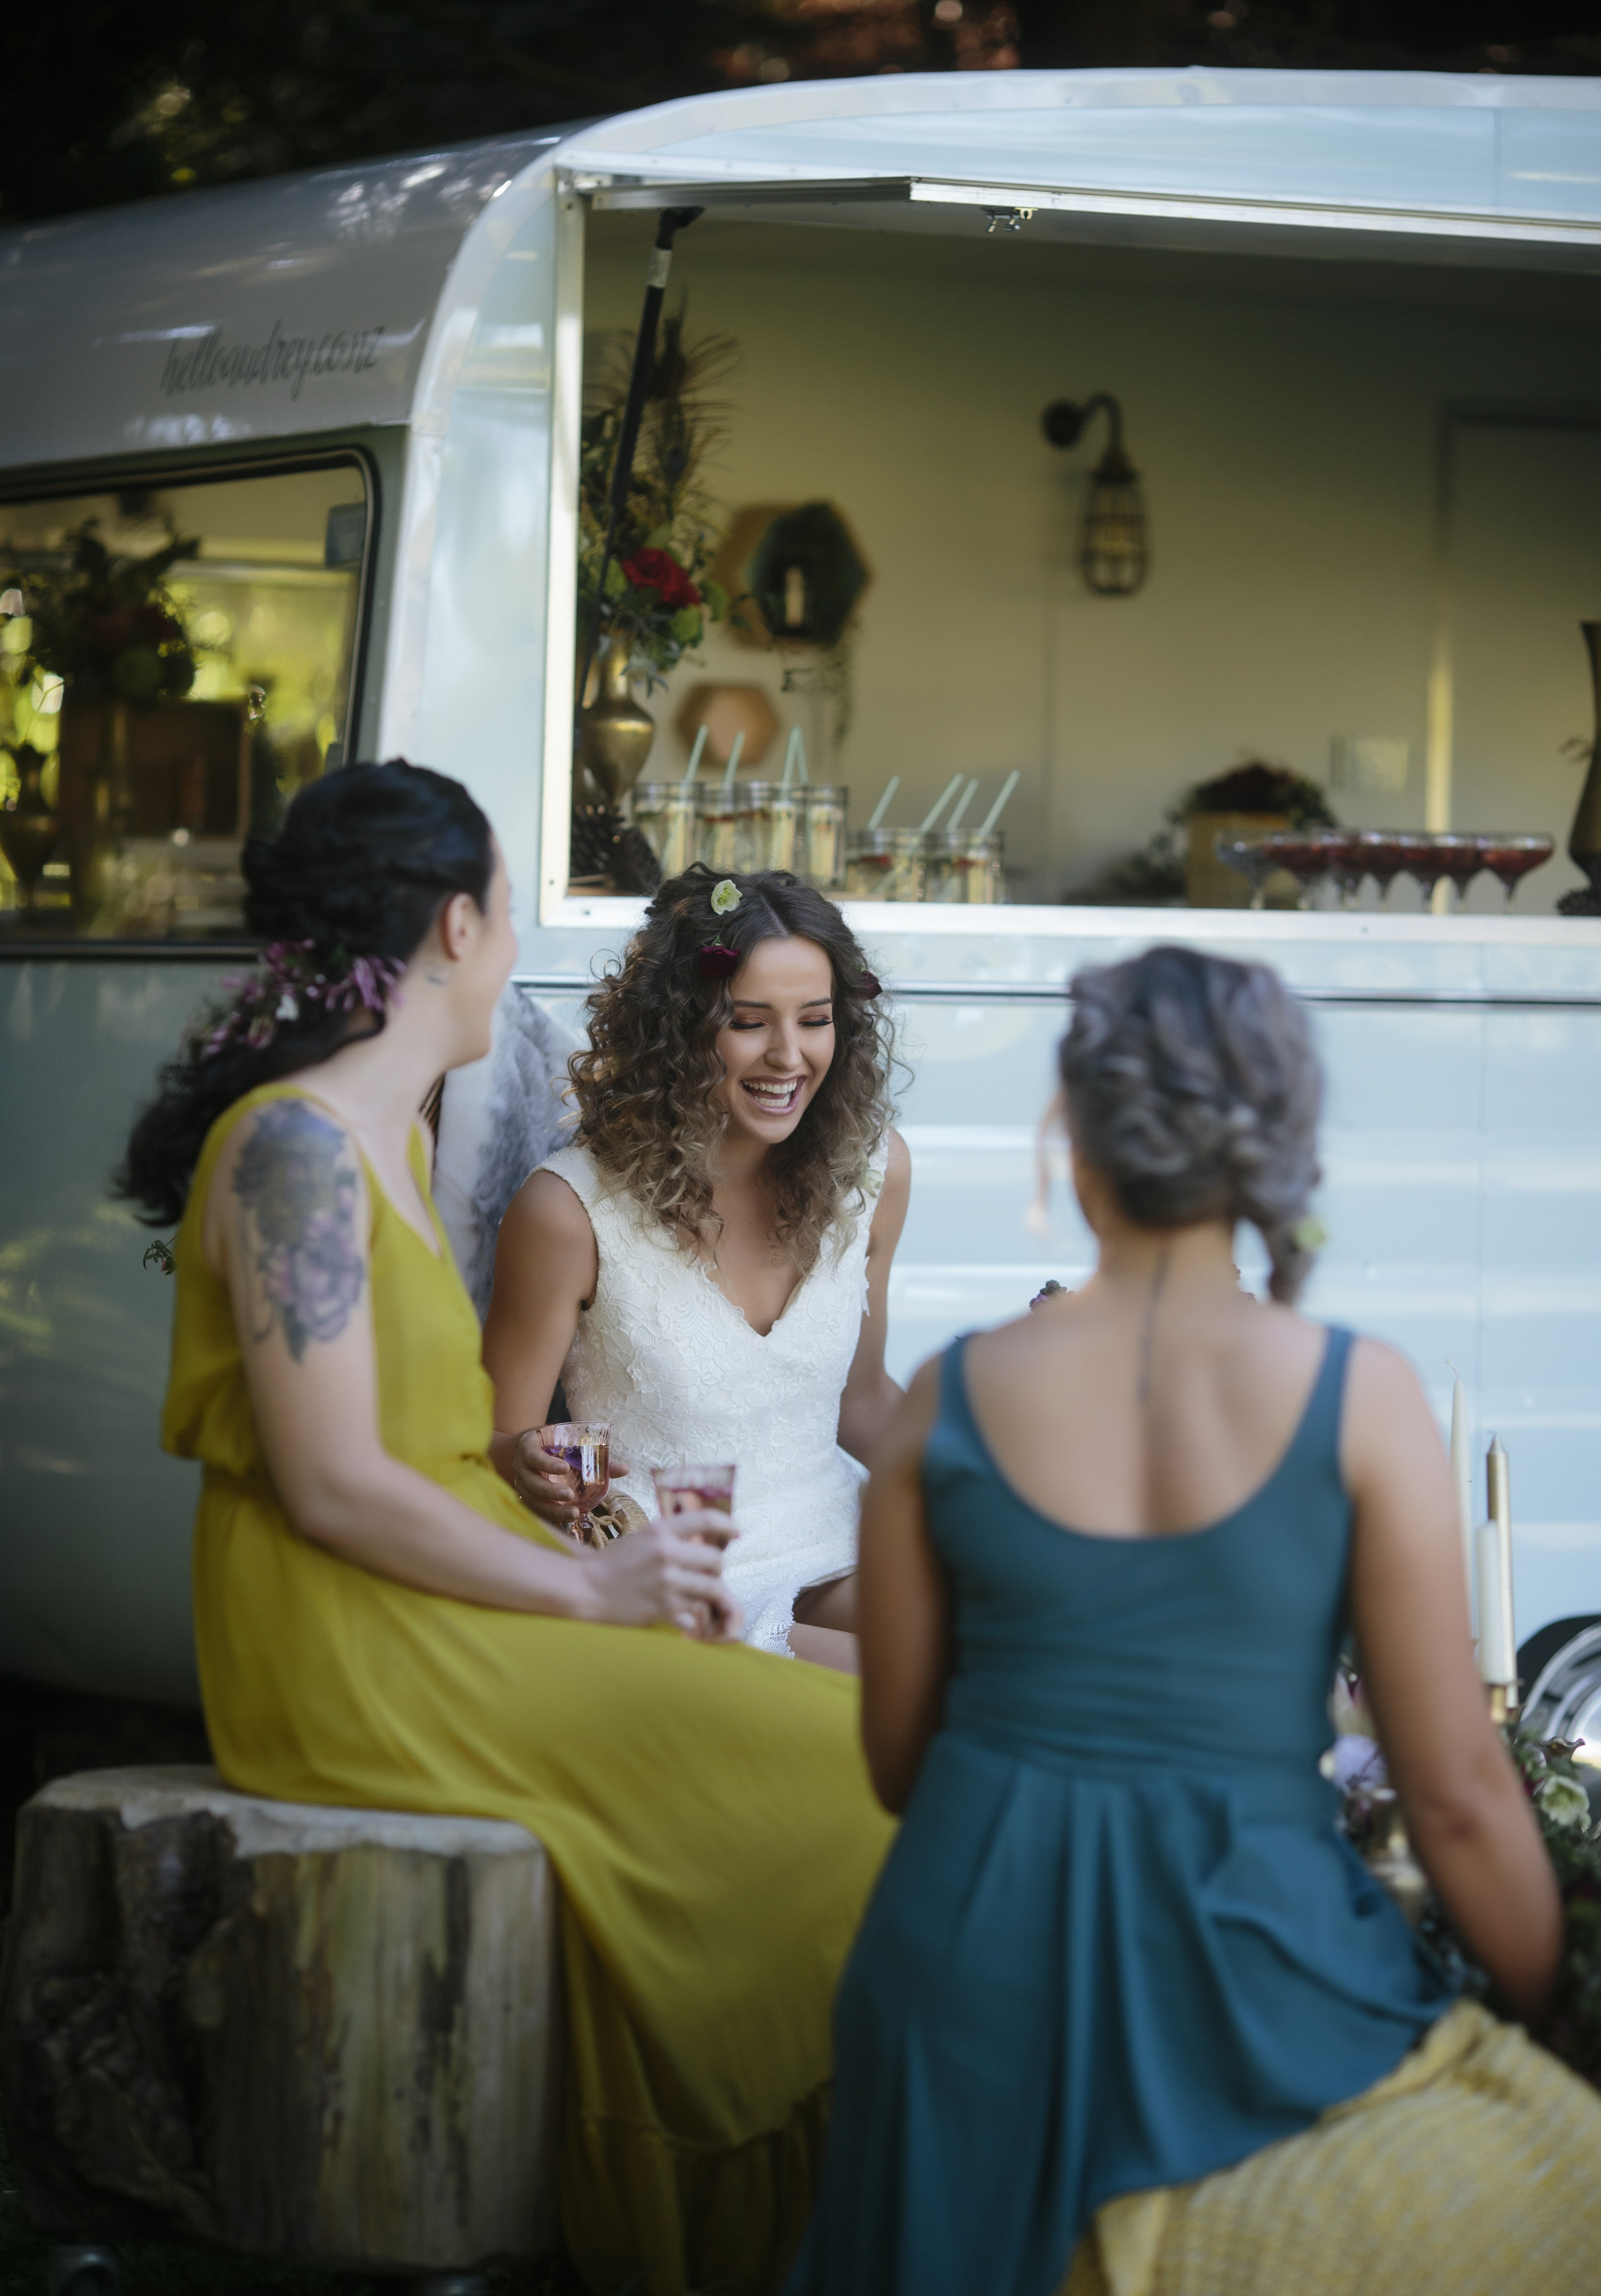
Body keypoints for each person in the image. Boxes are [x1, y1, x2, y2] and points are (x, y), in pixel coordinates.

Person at [118, 763, 892, 2296]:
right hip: (347, 1644)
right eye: (509, 914)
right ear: (456, 923)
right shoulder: (289, 1157)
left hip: (437, 1602)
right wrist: (590, 1594)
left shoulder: (384, 1136)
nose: (518, 948)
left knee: (835, 1743)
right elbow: (336, 1486)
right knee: (835, 1772)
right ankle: (777, 2211)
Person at [786, 943, 1601, 2296]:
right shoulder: (1360, 1398)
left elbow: (896, 1767)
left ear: (1078, 1138)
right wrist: (1550, 2020)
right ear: (1273, 1145)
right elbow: (1458, 1798)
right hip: (1246, 1969)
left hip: (964, 1968)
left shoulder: (950, 1398)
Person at [483, 863, 910, 1670]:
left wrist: (1007, 1493)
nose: (789, 1057)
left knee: (1015, 1648)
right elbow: (488, 1439)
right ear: (676, 1030)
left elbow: (863, 1401)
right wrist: (523, 1459)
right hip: (674, 1585)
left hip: (833, 1540)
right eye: (749, 1022)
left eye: (816, 1020)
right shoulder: (568, 1212)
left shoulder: (874, 1175)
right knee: (919, 1698)